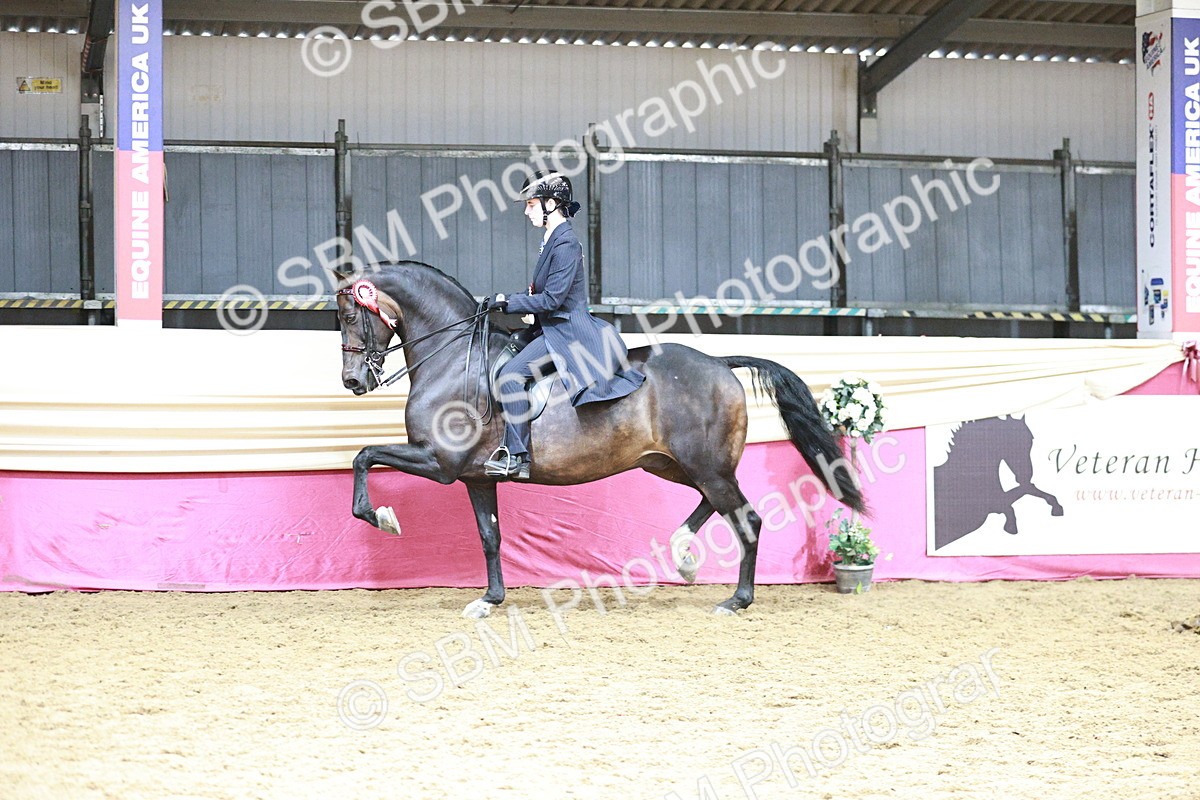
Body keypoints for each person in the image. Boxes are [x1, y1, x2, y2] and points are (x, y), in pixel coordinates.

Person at [483, 171, 645, 479]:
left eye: (531, 204)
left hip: (567, 332)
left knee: (510, 377)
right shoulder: (551, 240)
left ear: (552, 204)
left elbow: (553, 300)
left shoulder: (567, 244)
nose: (526, 210)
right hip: (550, 326)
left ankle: (516, 457)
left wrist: (507, 301)